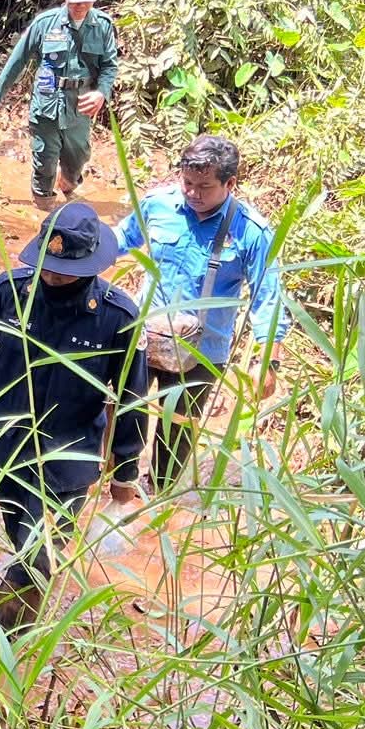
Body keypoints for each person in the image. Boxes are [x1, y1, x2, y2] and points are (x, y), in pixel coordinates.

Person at [0, 202, 148, 631]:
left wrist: (123, 476)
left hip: (71, 458)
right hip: (9, 445)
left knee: (37, 555)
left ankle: (4, 648)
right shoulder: (9, 292)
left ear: (91, 265)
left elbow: (132, 399)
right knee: (19, 530)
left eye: (65, 269)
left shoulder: (117, 317)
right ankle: (17, 632)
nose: (52, 276)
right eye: (47, 265)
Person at [116, 133, 284, 495]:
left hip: (202, 354)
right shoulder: (157, 206)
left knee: (175, 437)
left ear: (230, 183)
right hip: (145, 340)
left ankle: (158, 498)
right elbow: (118, 241)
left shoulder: (252, 232)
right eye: (187, 183)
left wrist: (267, 361)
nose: (192, 193)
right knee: (123, 419)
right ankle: (120, 488)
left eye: (204, 187)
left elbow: (267, 297)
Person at [0, 0, 119, 203]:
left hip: (79, 107)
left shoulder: (103, 26)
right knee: (45, 163)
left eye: (86, 1)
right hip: (47, 104)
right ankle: (43, 209)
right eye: (75, 0)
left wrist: (101, 93)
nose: (80, 6)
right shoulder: (44, 24)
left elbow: (110, 66)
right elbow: (16, 63)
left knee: (77, 160)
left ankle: (67, 185)